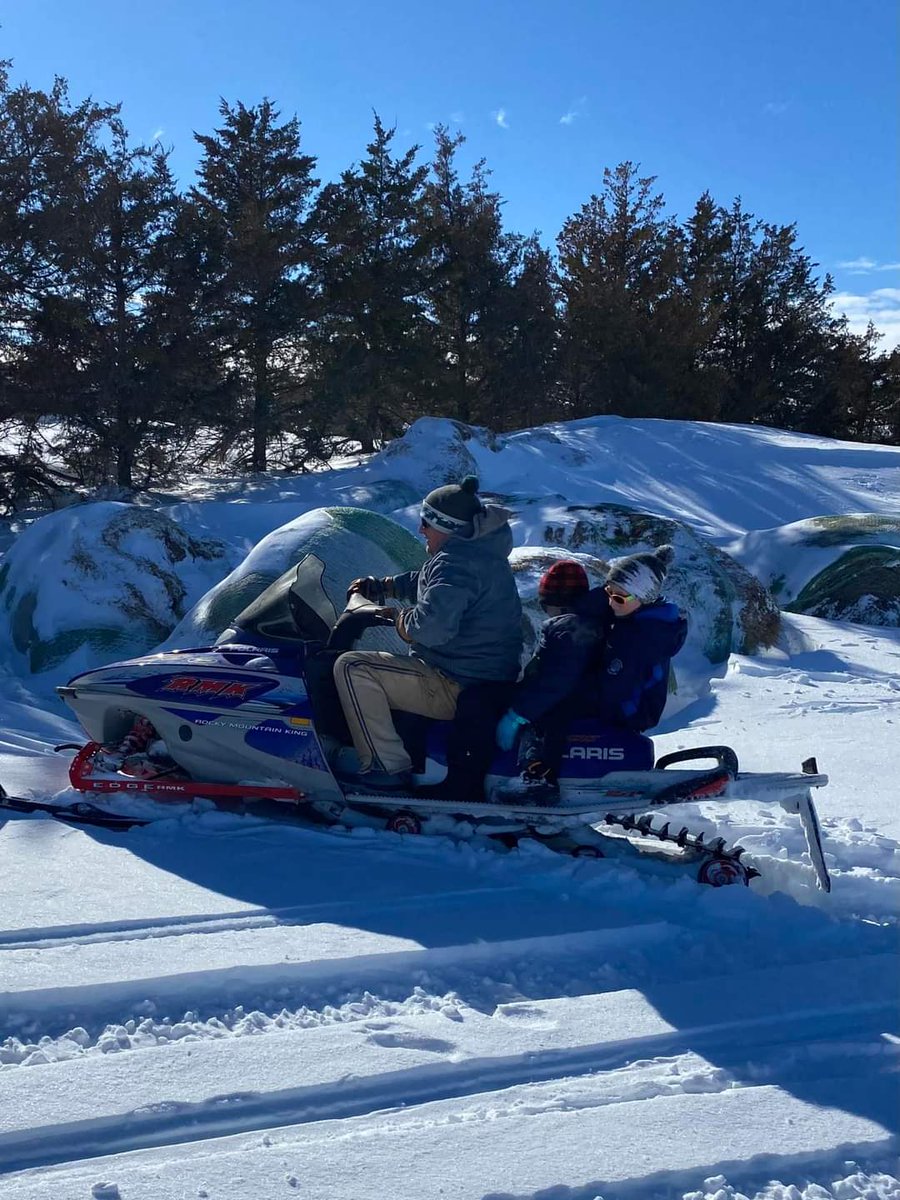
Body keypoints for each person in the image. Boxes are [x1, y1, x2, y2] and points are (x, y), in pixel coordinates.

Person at [333, 476, 523, 791]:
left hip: (455, 681)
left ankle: (386, 768)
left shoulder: (456, 563)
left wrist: (395, 618)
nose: (421, 529)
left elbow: (432, 628)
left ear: (446, 527)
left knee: (353, 667)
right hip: (483, 676)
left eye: (426, 523)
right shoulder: (478, 551)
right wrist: (385, 587)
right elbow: (430, 582)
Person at [496, 545, 687, 800]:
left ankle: (540, 778)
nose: (611, 601)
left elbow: (616, 686)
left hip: (631, 706)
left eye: (618, 598)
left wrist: (565, 692)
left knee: (554, 705)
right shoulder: (630, 611)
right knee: (557, 693)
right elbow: (602, 603)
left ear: (644, 598)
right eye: (609, 592)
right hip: (619, 692)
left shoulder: (641, 637)